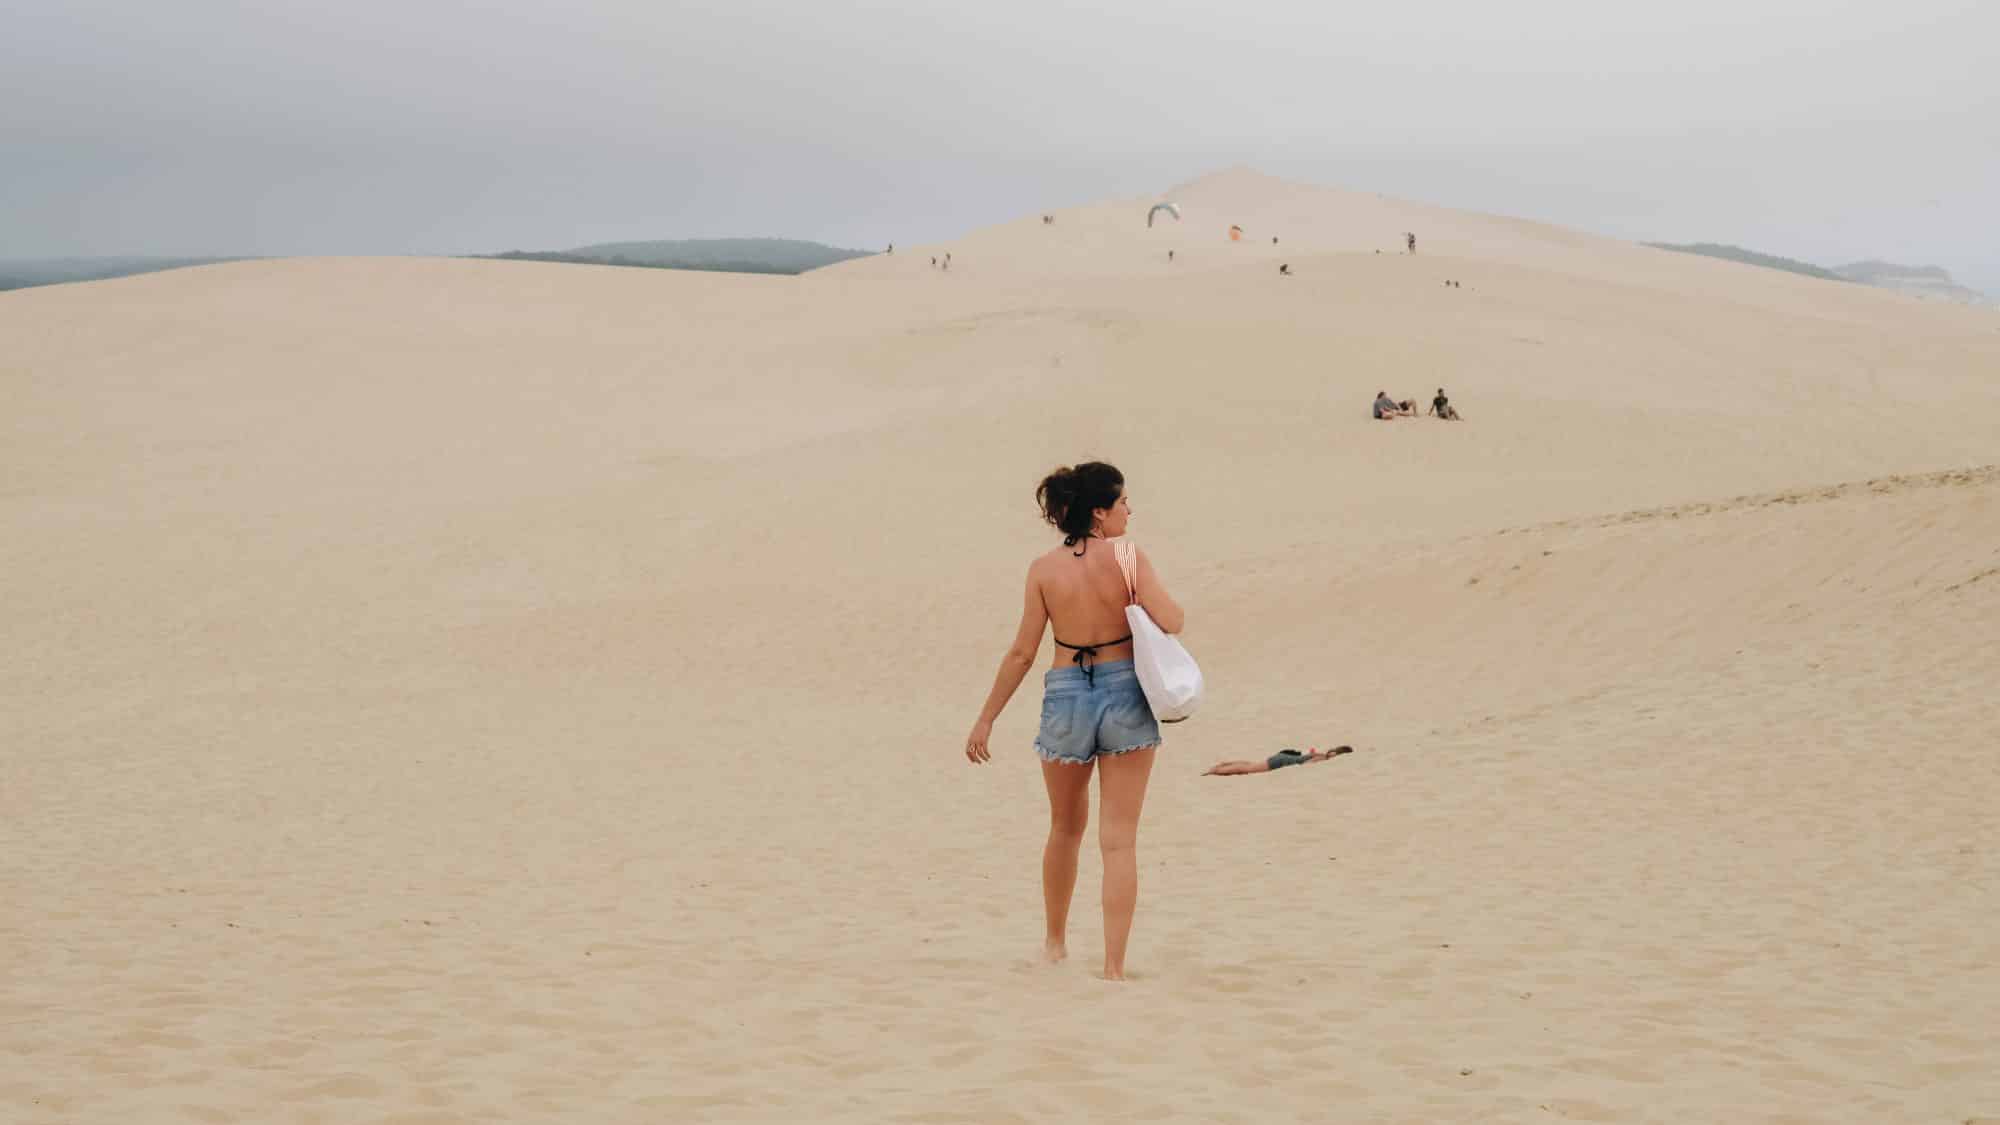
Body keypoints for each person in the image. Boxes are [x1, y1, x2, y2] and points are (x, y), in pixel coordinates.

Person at [964, 461, 1185, 981]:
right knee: (1119, 838)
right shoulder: (1127, 557)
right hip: (1124, 689)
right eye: (1123, 501)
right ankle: (1112, 967)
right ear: (1099, 511)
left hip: (1065, 692)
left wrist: (986, 719)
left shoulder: (1043, 569)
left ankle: (1055, 945)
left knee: (1064, 828)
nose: (1130, 510)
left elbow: (1022, 652)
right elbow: (1173, 620)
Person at [1204, 746, 1352, 776]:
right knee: (1248, 769)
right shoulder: (1323, 757)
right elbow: (1308, 761)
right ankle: (1216, 770)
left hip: (1283, 757)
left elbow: (1307, 752)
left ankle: (1224, 766)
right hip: (1281, 761)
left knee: (1249, 766)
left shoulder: (1321, 754)